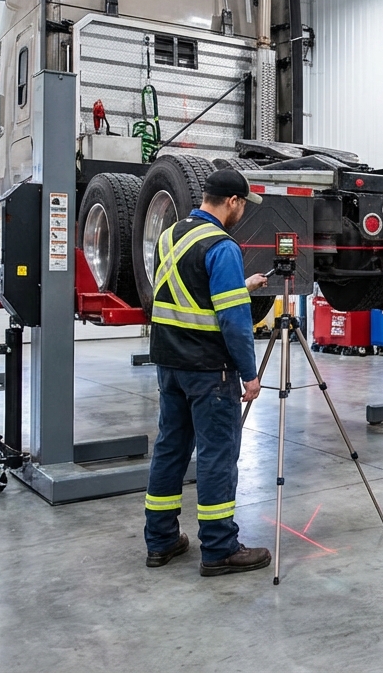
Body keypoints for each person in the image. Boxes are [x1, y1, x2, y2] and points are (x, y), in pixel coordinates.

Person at [143, 168, 272, 576]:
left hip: (170, 364)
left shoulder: (170, 237)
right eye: (241, 206)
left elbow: (189, 292)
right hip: (208, 370)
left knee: (170, 450)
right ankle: (219, 548)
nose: (241, 214)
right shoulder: (222, 246)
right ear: (232, 202)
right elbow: (233, 322)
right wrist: (249, 374)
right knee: (218, 456)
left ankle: (161, 542)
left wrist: (242, 285)